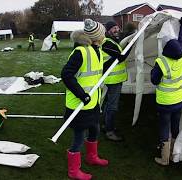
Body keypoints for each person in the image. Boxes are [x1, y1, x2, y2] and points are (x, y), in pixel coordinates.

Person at [61, 19, 109, 180]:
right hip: (79, 104)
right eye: (103, 34)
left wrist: (119, 58)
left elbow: (97, 70)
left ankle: (91, 157)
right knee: (79, 137)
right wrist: (82, 95)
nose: (105, 36)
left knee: (95, 129)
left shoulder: (97, 50)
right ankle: (74, 171)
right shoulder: (80, 52)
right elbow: (66, 75)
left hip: (93, 103)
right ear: (97, 36)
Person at [151, 17, 182, 166]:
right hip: (180, 101)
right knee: (175, 127)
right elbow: (181, 41)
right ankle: (173, 155)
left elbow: (154, 80)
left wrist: (154, 70)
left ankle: (164, 159)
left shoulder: (161, 62)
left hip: (165, 103)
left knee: (165, 128)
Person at [101, 21, 132, 141]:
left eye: (117, 27)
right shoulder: (107, 43)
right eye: (114, 28)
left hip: (114, 78)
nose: (117, 29)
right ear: (108, 30)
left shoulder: (112, 41)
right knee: (112, 106)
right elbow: (121, 57)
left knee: (109, 104)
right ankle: (110, 131)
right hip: (113, 79)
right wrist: (131, 44)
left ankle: (106, 126)